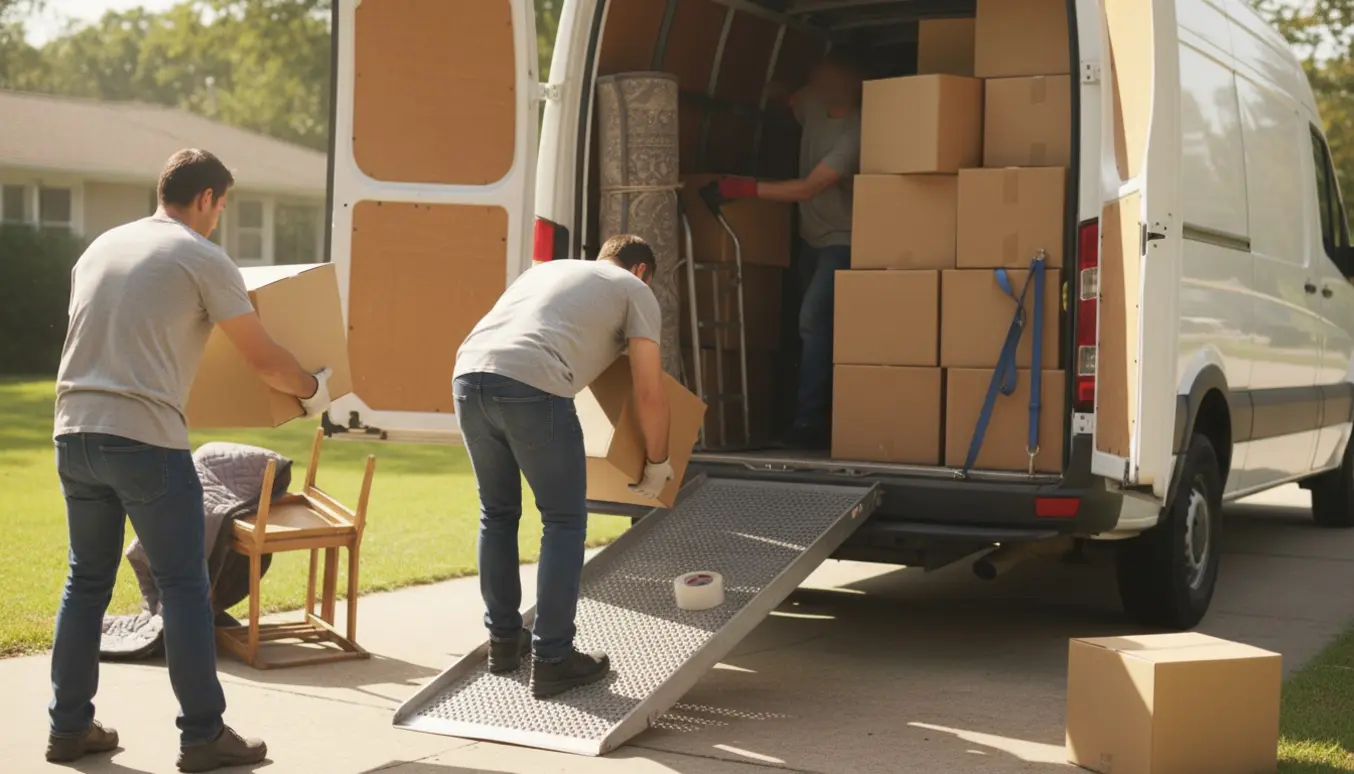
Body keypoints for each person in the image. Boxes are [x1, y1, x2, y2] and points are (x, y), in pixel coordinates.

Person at [49, 148, 333, 772]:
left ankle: (68, 727)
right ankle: (203, 735)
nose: (219, 221)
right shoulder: (203, 257)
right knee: (184, 585)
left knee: (86, 580)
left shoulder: (100, 247)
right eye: (222, 207)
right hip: (144, 439)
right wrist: (315, 389)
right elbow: (263, 361)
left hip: (73, 431)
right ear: (206, 198)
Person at [453, 234, 672, 698]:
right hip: (532, 382)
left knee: (497, 513)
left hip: (468, 375)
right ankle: (553, 658)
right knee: (565, 520)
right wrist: (658, 461)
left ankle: (505, 642)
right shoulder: (635, 290)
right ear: (641, 271)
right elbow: (649, 390)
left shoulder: (547, 271)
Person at [700, 49, 865, 450]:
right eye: (814, 78)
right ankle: (801, 414)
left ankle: (809, 424)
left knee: (812, 321)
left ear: (847, 84)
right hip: (809, 239)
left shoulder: (855, 133)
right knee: (804, 327)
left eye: (824, 78)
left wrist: (742, 188)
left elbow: (811, 186)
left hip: (843, 241)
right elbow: (786, 97)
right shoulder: (814, 103)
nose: (816, 85)